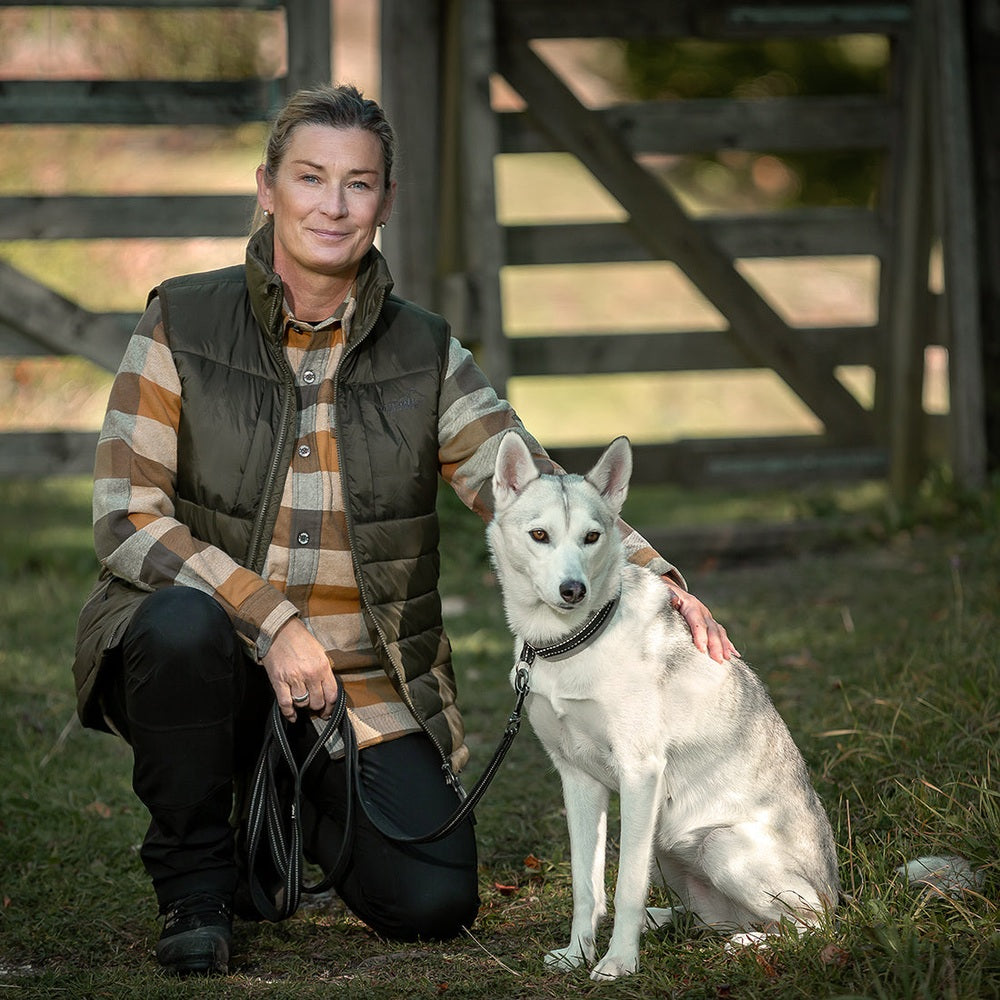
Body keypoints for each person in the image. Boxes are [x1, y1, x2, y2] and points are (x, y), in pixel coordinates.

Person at [72, 83, 737, 977]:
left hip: (357, 679)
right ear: (267, 188)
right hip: (212, 651)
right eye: (310, 178)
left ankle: (289, 803)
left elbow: (536, 488)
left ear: (385, 202)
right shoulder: (180, 320)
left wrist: (664, 584)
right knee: (181, 627)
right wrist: (271, 619)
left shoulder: (424, 353)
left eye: (359, 184)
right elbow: (125, 515)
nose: (333, 206)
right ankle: (197, 881)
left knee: (432, 901)